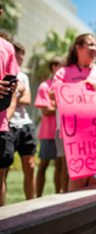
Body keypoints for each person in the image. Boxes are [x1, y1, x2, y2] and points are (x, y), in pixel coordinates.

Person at [51, 33, 96, 191]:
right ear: (78, 48)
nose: (95, 48)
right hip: (76, 134)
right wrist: (79, 87)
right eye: (90, 44)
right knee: (78, 178)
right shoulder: (64, 72)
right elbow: (52, 94)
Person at [7, 41, 37, 201]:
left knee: (31, 166)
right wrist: (18, 90)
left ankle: (30, 206)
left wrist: (10, 95)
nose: (23, 58)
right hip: (7, 125)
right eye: (20, 54)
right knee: (3, 170)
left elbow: (27, 101)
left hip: (25, 124)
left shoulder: (23, 76)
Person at [35, 56, 65, 197]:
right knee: (43, 166)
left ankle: (58, 196)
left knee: (60, 167)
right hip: (47, 133)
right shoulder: (44, 86)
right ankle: (37, 198)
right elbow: (46, 111)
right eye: (61, 65)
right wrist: (63, 108)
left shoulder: (65, 86)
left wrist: (58, 106)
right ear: (53, 67)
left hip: (62, 133)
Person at [0, 0, 19, 206]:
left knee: (0, 179)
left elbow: (12, 80)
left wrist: (11, 87)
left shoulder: (7, 48)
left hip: (1, 123)